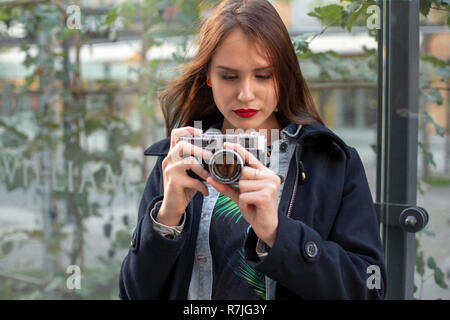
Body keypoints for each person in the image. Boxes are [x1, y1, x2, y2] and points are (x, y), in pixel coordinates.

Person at [119, 0, 386, 300]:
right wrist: (166, 219)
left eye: (263, 75)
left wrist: (278, 234)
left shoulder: (332, 161)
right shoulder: (182, 158)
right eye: (229, 76)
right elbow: (134, 294)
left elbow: (368, 289)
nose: (245, 94)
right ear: (208, 76)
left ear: (284, 76)